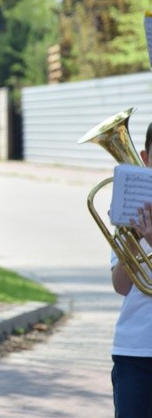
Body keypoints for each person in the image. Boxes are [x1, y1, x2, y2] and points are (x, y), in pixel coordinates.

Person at [110, 122, 152, 418]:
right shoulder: (133, 209)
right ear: (145, 158)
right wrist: (136, 243)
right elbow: (121, 286)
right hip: (135, 350)